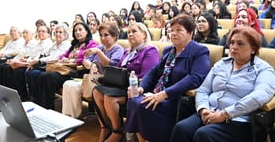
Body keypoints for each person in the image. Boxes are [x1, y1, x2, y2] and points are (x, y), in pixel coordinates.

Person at [170, 26, 275, 142]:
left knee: (204, 134)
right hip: (210, 111)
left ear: (253, 49)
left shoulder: (263, 69)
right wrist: (203, 109)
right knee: (182, 128)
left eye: (240, 44)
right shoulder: (222, 64)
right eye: (232, 43)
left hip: (238, 119)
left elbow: (259, 96)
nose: (234, 47)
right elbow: (203, 90)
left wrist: (225, 114)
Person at [125, 14, 211, 142]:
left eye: (179, 30)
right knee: (134, 99)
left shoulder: (200, 51)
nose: (173, 33)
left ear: (190, 33)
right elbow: (154, 72)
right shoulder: (169, 50)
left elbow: (195, 78)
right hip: (159, 93)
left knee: (141, 105)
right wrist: (141, 88)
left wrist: (165, 94)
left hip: (177, 98)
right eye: (171, 30)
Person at [93, 22, 159, 142]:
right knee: (97, 91)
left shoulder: (150, 50)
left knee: (110, 98)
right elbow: (117, 69)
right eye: (128, 32)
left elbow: (147, 76)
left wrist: (127, 77)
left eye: (134, 31)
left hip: (135, 88)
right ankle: (106, 127)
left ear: (144, 34)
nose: (130, 34)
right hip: (120, 85)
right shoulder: (127, 51)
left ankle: (117, 132)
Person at [62, 22, 124, 118]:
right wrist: (87, 62)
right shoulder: (100, 47)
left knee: (73, 87)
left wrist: (98, 53)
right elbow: (87, 59)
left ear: (114, 36)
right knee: (68, 84)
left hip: (105, 81)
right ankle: (67, 116)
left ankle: (74, 117)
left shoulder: (118, 49)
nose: (102, 38)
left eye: (106, 35)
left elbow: (111, 65)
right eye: (101, 35)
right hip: (92, 77)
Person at [37, 22, 97, 110]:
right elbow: (62, 56)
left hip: (77, 73)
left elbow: (87, 59)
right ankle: (43, 107)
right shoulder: (74, 45)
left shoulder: (92, 44)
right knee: (42, 76)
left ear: (87, 31)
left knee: (48, 77)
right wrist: (65, 58)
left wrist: (74, 60)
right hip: (66, 71)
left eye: (80, 30)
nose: (77, 32)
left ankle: (48, 109)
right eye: (75, 30)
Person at [24, 24, 70, 102]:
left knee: (36, 74)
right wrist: (36, 62)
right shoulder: (55, 44)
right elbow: (45, 54)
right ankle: (34, 98)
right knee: (30, 72)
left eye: (60, 32)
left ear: (65, 34)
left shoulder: (66, 44)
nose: (58, 34)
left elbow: (55, 57)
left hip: (58, 68)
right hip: (48, 65)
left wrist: (39, 61)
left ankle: (39, 100)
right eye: (56, 32)